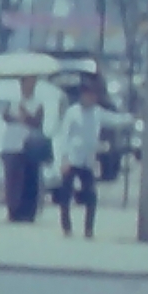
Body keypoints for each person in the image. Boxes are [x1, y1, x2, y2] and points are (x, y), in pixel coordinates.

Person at [51, 76, 105, 238]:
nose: (91, 98)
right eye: (89, 94)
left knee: (91, 195)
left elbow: (112, 120)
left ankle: (89, 229)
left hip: (88, 160)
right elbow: (64, 136)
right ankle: (66, 227)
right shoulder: (73, 112)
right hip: (72, 158)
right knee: (66, 195)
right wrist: (63, 158)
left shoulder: (97, 112)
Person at [0, 72, 48, 223]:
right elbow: (6, 116)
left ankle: (29, 212)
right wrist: (14, 116)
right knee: (13, 181)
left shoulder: (37, 103)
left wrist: (25, 115)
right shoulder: (14, 102)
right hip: (12, 145)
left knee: (29, 180)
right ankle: (13, 211)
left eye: (32, 83)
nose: (29, 86)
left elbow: (37, 122)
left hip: (29, 145)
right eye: (27, 83)